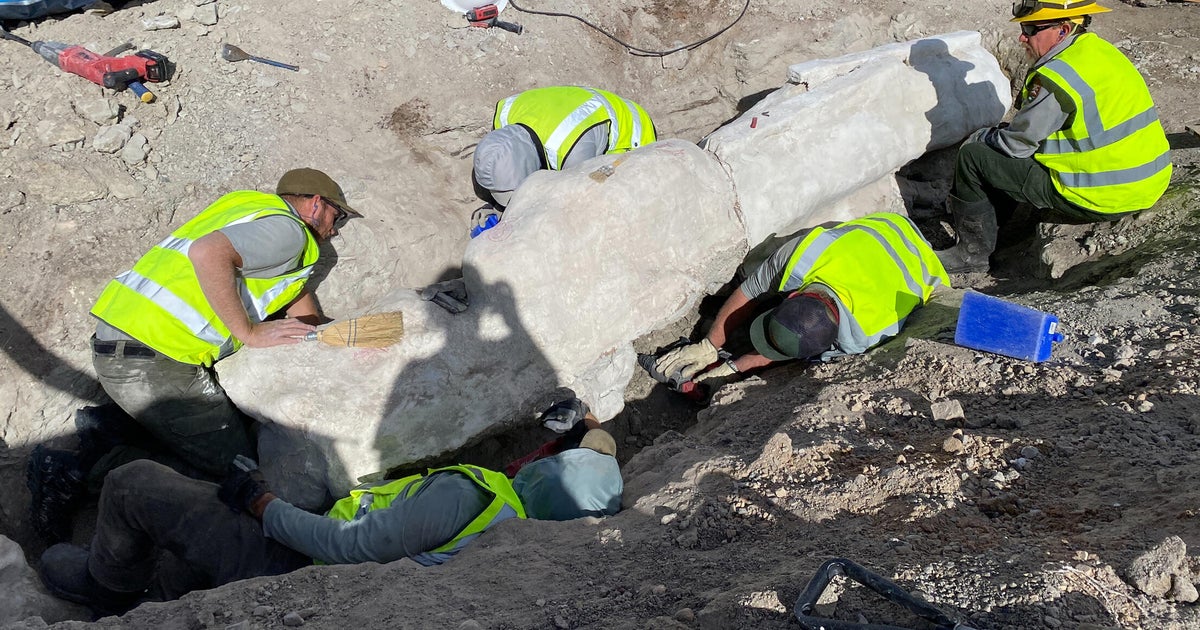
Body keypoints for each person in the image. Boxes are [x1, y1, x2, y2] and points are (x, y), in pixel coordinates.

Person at [37, 403, 622, 618]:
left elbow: (344, 547)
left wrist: (260, 503)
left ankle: (110, 591)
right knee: (187, 550)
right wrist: (590, 426)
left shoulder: (470, 496)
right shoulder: (530, 534)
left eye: (561, 459)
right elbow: (595, 462)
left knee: (134, 482)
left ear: (549, 477)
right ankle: (167, 586)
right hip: (320, 557)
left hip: (294, 566)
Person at [28, 168, 361, 542]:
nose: (336, 228)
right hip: (152, 357)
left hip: (128, 338)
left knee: (216, 425)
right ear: (316, 204)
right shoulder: (289, 232)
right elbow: (209, 254)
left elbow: (294, 297)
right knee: (238, 474)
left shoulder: (249, 211)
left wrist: (322, 338)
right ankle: (76, 472)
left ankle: (114, 428)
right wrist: (248, 332)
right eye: (339, 216)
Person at [936, 0, 1171, 274]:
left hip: (1103, 195)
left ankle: (971, 255)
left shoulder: (1057, 77)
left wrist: (983, 137)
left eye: (1032, 28)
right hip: (1148, 181)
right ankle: (1003, 227)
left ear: (1063, 29)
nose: (1023, 36)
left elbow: (1017, 145)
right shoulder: (1100, 52)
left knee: (974, 156)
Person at [653, 212, 949, 385]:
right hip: (888, 225)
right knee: (759, 260)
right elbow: (751, 290)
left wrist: (733, 369)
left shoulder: (864, 338)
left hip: (927, 267)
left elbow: (795, 350)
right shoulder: (804, 256)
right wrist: (709, 345)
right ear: (793, 294)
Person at [470, 86, 656, 232]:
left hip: (631, 133)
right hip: (575, 108)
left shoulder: (572, 151)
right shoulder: (504, 116)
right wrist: (498, 207)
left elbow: (569, 208)